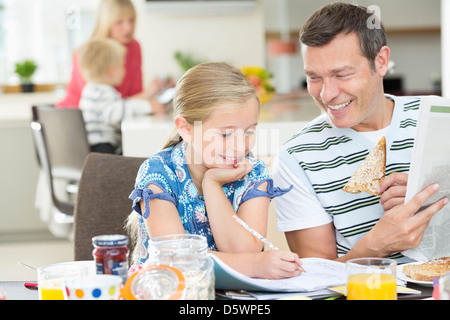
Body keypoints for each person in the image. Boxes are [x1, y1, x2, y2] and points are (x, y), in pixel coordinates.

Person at [273, 2, 448, 264]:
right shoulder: (296, 157)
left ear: (381, 61)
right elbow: (317, 281)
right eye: (314, 77)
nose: (327, 94)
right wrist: (376, 245)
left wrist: (439, 190)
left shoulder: (439, 116)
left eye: (341, 74)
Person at [127, 62, 303, 279]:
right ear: (185, 129)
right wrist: (254, 266)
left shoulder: (254, 173)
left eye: (249, 131)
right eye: (226, 134)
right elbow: (177, 261)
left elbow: (244, 252)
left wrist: (212, 185)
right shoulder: (158, 174)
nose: (240, 147)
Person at [57, 0, 167, 109]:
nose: (128, 28)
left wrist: (151, 92)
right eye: (119, 22)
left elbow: (133, 95)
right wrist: (147, 94)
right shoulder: (90, 52)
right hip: (76, 115)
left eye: (131, 20)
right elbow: (100, 104)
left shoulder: (134, 47)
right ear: (106, 23)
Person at [77, 38, 165, 154]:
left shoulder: (90, 90)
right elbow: (114, 113)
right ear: (111, 72)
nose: (124, 71)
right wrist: (147, 106)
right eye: (122, 66)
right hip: (104, 150)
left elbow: (119, 106)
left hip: (94, 150)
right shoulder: (104, 92)